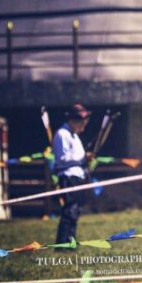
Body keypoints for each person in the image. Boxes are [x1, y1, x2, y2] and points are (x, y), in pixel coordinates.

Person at [53, 103, 93, 245]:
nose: (83, 126)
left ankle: (71, 241)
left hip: (78, 176)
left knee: (75, 211)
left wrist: (85, 158)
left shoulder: (75, 136)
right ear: (74, 120)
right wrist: (82, 158)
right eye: (82, 123)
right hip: (68, 177)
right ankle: (62, 243)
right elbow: (62, 158)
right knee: (69, 211)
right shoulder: (62, 135)